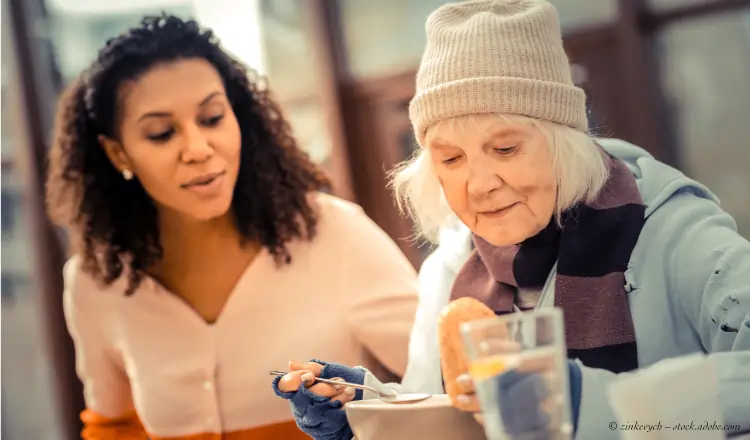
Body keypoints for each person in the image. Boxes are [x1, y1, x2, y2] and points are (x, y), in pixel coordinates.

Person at [272, 1, 750, 439]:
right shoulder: (449, 268)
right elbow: (455, 416)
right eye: (452, 158)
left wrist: (594, 403)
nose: (479, 184)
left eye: (504, 149)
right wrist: (367, 411)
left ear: (565, 143)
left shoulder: (674, 233)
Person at [46, 14, 421, 440]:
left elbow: (440, 384)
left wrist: (363, 411)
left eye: (211, 118)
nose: (199, 149)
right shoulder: (95, 282)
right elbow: (114, 428)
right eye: (162, 133)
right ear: (118, 154)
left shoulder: (333, 233)